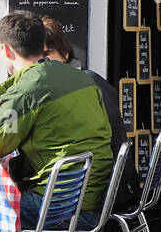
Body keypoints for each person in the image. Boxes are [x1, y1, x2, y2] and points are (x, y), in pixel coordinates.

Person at [0, 10, 113, 232]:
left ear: (5, 49)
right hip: (95, 197)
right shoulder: (81, 78)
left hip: (59, 205)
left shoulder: (27, 91)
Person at [41, 15, 140, 204]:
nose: (43, 62)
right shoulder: (80, 81)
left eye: (48, 53)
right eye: (38, 56)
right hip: (103, 182)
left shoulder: (85, 86)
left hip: (101, 189)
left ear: (65, 52)